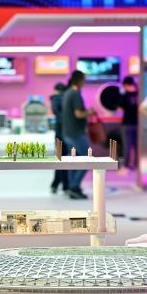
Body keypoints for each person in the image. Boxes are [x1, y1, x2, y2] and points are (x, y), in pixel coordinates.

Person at [61, 70, 96, 199]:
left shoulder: (67, 93)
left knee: (73, 160)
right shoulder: (75, 94)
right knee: (87, 158)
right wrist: (90, 113)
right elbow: (79, 114)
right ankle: (74, 186)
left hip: (67, 132)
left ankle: (72, 186)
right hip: (76, 133)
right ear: (80, 80)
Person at [49, 82, 69, 194]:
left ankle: (56, 184)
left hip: (59, 133)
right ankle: (64, 185)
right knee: (64, 159)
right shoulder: (62, 98)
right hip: (65, 133)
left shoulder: (55, 99)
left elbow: (57, 114)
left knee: (61, 158)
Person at [118, 76, 140, 173]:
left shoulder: (124, 95)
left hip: (127, 124)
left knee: (127, 146)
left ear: (125, 85)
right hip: (138, 124)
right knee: (137, 146)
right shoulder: (139, 94)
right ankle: (136, 165)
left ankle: (125, 166)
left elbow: (120, 108)